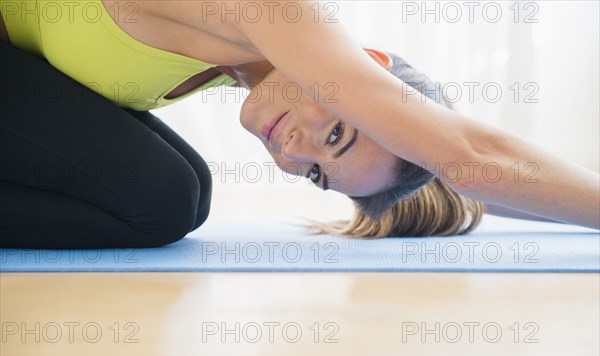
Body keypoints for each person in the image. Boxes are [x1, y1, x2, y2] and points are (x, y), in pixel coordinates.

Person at [0, 1, 598, 249]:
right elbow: (468, 154)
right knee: (162, 196)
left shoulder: (232, 64)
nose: (293, 152)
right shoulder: (280, 15)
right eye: (336, 134)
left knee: (186, 191)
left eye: (316, 174)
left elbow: (462, 172)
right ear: (371, 68)